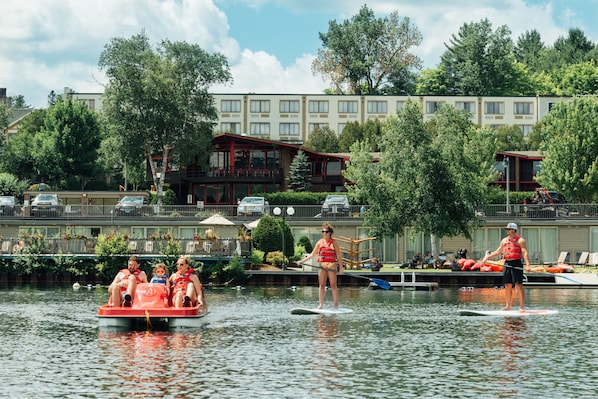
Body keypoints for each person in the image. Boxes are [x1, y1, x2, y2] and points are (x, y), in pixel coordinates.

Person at [483, 222, 531, 311]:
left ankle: (522, 307)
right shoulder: (504, 240)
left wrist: (528, 265)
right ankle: (508, 306)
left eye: (509, 229)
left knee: (518, 284)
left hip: (516, 263)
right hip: (507, 263)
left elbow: (524, 252)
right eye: (507, 229)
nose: (507, 231)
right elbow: (498, 252)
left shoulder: (520, 240)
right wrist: (487, 258)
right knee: (507, 285)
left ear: (514, 230)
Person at [299, 222, 344, 309]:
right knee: (322, 285)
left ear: (330, 233)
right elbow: (312, 254)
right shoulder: (320, 242)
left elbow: (338, 256)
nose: (324, 233)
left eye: (326, 232)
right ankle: (321, 304)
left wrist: (341, 268)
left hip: (331, 265)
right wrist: (302, 261)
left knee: (333, 285)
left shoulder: (334, 243)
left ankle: (335, 304)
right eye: (323, 232)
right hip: (322, 266)